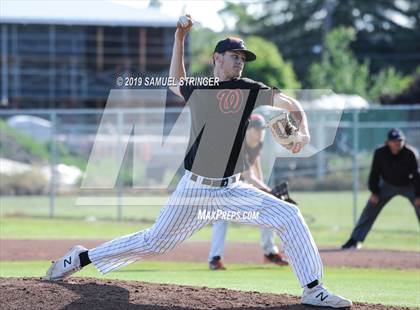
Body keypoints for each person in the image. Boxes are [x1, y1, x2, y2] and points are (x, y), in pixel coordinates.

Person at [45, 15, 351, 308]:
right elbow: (173, 82)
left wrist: (304, 132)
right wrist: (179, 39)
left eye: (243, 58)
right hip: (194, 189)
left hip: (231, 189)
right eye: (234, 55)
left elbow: (291, 103)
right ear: (217, 58)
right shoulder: (201, 89)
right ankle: (81, 258)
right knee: (155, 243)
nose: (240, 61)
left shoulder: (250, 89)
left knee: (289, 215)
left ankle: (313, 289)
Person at [209, 113, 289, 270]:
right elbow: (248, 175)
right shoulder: (239, 147)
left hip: (238, 186)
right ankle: (214, 258)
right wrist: (266, 190)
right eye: (257, 129)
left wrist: (265, 192)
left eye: (263, 129)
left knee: (268, 207)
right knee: (221, 217)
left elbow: (256, 165)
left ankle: (269, 252)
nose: (261, 133)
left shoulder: (257, 144)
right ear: (247, 130)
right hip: (219, 186)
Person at [342, 128, 420, 250]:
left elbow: (417, 175)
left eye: (400, 140)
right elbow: (375, 173)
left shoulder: (410, 153)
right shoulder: (380, 153)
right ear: (387, 142)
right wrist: (374, 192)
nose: (397, 143)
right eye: (394, 141)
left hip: (408, 185)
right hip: (387, 185)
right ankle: (355, 240)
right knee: (370, 209)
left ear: (404, 141)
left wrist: (418, 196)